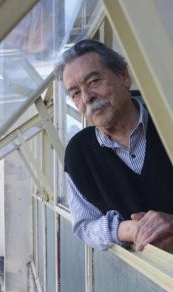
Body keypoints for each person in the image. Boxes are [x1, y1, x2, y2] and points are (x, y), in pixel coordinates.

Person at [54, 39, 173, 253]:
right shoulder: (78, 153)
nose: (87, 97)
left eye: (93, 81)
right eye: (75, 93)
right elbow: (84, 225)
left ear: (123, 76)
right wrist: (124, 230)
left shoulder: (168, 123)